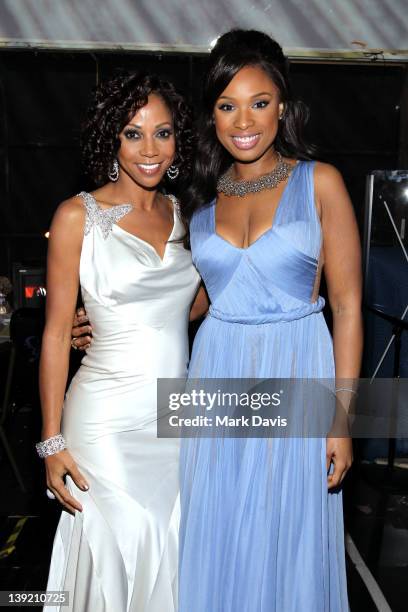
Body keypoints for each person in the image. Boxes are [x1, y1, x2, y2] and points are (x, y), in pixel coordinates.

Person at [177, 30, 362, 611]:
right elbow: (191, 301)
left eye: (259, 102)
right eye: (227, 105)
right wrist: (103, 318)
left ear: (283, 106)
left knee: (288, 533)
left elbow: (350, 306)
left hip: (297, 366)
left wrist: (343, 417)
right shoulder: (201, 200)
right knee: (219, 524)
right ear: (212, 115)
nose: (243, 120)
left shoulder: (321, 182)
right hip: (216, 373)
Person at [37, 72, 204, 612]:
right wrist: (50, 441)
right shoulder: (75, 217)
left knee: (173, 546)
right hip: (104, 421)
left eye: (163, 133)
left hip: (174, 420)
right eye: (133, 134)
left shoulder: (185, 217)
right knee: (119, 549)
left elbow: (191, 306)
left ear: (179, 140)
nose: (149, 150)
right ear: (112, 138)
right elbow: (58, 331)